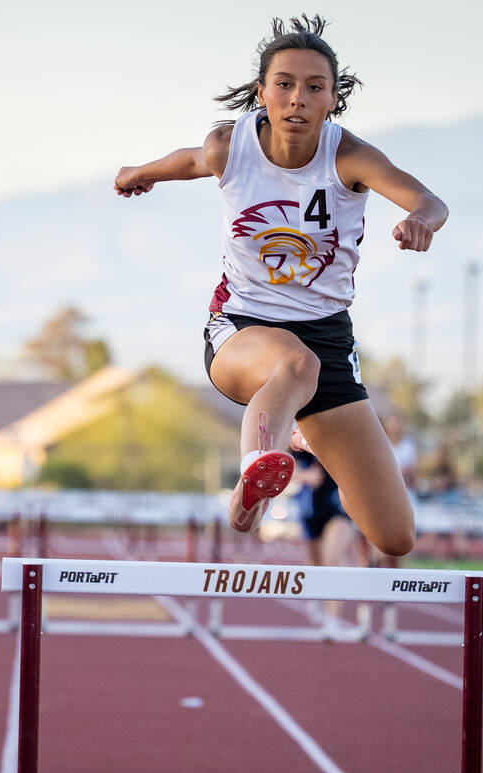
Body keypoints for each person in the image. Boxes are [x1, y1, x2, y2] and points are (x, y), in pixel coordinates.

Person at [115, 14, 446, 557]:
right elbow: (192, 161)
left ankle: (294, 424)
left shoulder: (349, 156)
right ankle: (254, 484)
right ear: (263, 93)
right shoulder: (231, 146)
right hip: (242, 328)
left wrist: (421, 222)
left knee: (395, 535)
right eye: (285, 85)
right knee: (295, 365)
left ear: (332, 100)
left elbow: (430, 200)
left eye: (314, 88)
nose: (298, 99)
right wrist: (139, 170)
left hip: (328, 338)